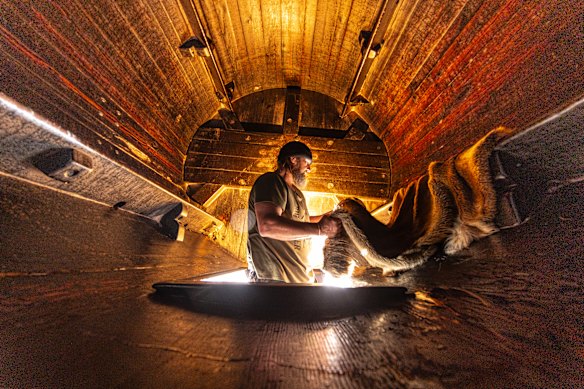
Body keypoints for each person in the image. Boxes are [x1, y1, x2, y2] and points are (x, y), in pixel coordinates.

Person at [246, 141, 341, 283]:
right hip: (273, 281)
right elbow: (267, 226)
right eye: (307, 162)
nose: (309, 168)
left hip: (298, 280)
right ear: (293, 159)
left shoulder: (297, 193)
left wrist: (332, 216)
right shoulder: (271, 181)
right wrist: (319, 230)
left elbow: (303, 222)